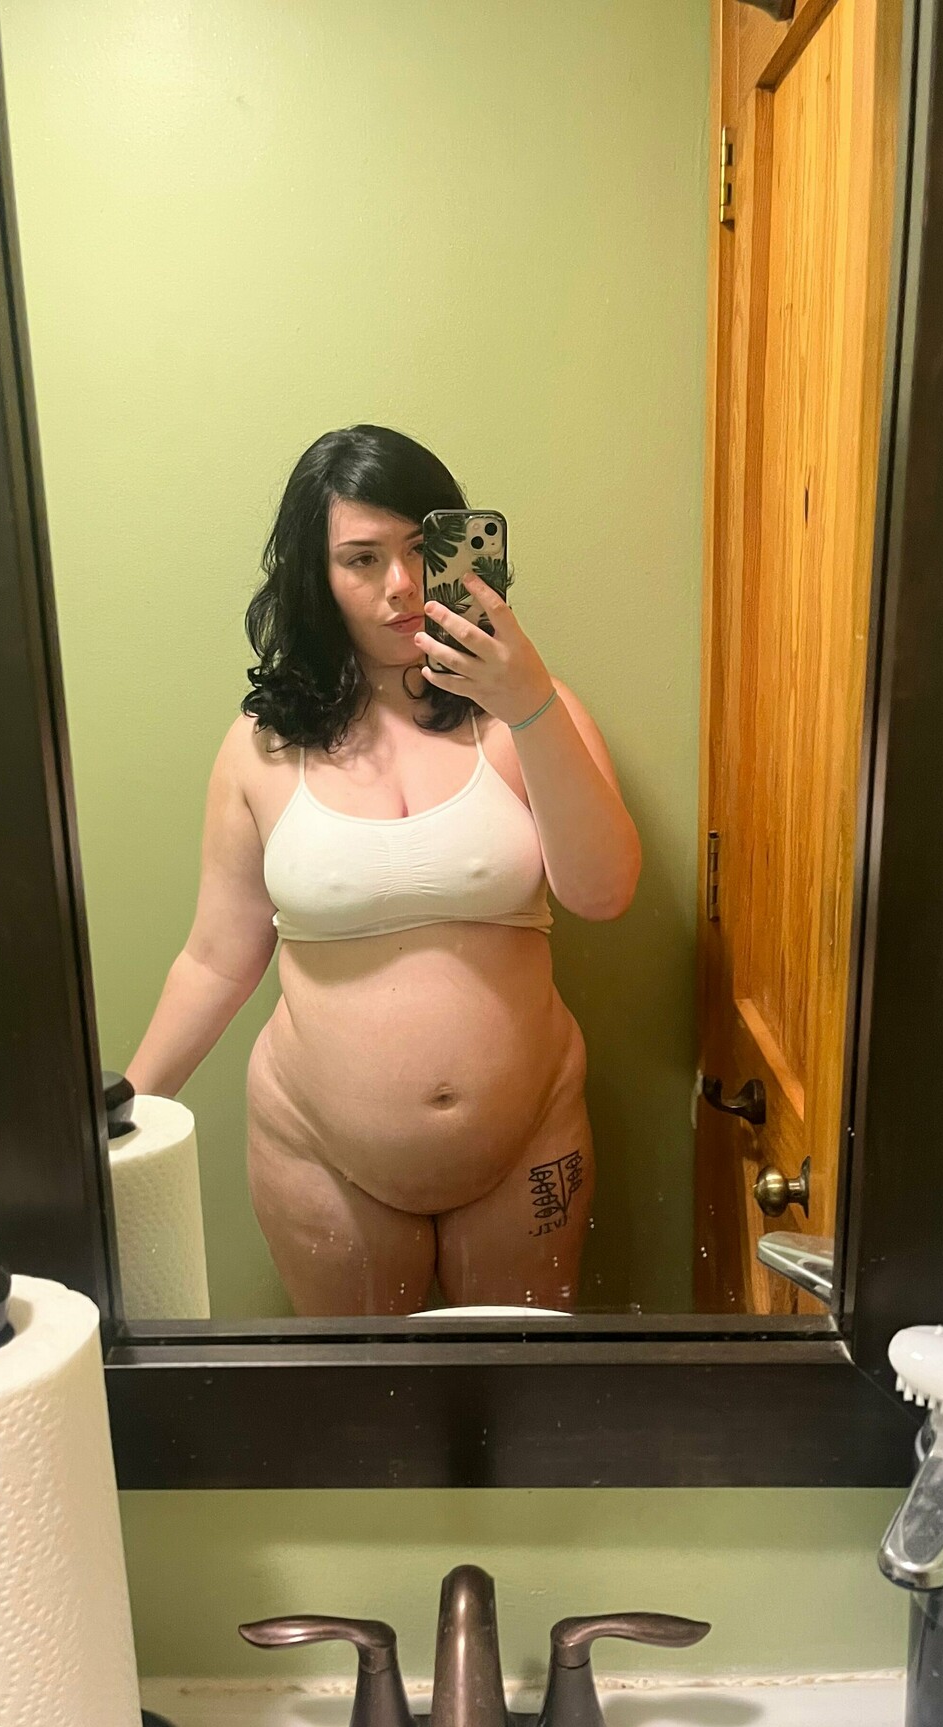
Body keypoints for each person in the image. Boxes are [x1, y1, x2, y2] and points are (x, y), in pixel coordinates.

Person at [126, 425, 640, 1314]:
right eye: (362, 559)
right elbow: (216, 958)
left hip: (529, 1140)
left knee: (519, 1390)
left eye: (417, 549)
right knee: (363, 1400)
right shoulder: (262, 747)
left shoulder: (531, 715)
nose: (400, 585)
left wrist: (529, 704)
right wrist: (127, 1110)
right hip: (317, 1157)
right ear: (317, 578)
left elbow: (603, 893)